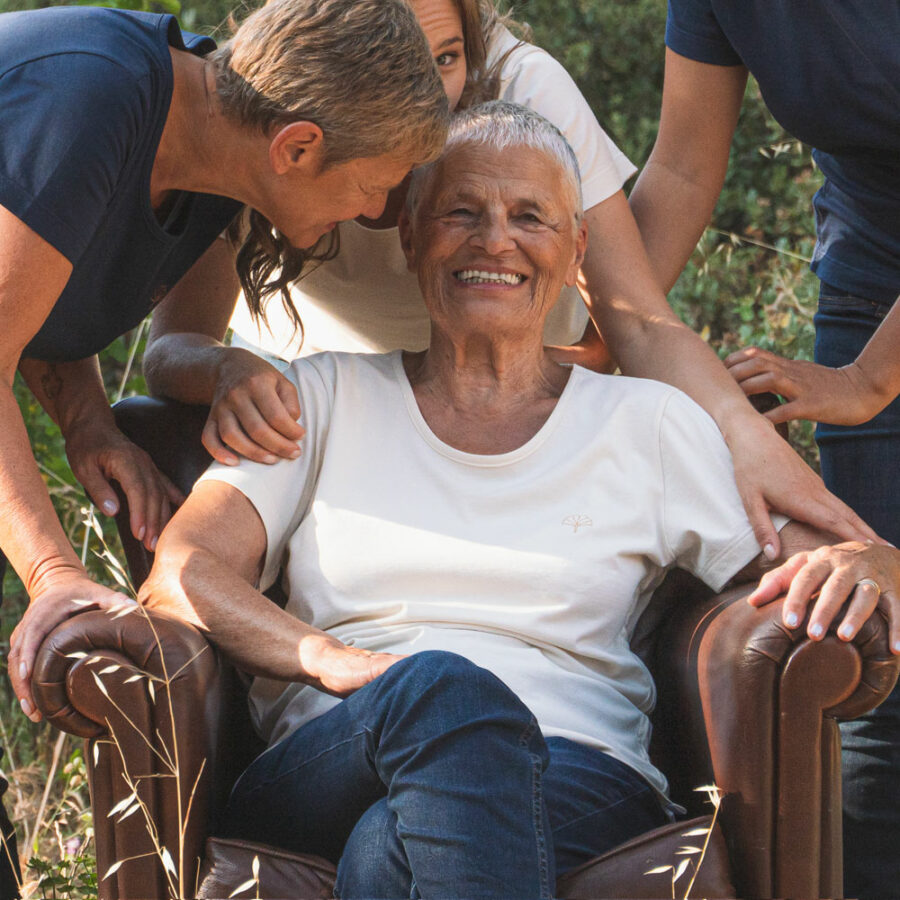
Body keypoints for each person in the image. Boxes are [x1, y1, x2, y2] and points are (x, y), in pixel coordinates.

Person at [140, 104, 900, 899]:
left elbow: (815, 557)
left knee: (389, 851)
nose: (494, 240)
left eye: (528, 217)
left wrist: (872, 558)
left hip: (577, 766)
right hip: (338, 750)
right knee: (438, 690)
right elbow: (180, 572)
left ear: (577, 252)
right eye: (460, 212)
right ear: (410, 237)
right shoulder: (318, 399)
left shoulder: (648, 423)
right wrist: (331, 662)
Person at [143, 0, 876, 576]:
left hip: (517, 402)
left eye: (448, 61)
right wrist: (229, 371)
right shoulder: (267, 109)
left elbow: (638, 316)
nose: (427, 97)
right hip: (336, 422)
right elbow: (173, 345)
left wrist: (731, 430)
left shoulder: (522, 90)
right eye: (397, 67)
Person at [0, 0, 447, 887]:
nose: (378, 211)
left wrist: (91, 421)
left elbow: (48, 298)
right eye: (375, 183)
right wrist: (54, 574)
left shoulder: (210, 166)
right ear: (299, 146)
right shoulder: (95, 95)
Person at [626, 3, 899, 896]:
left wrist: (869, 378)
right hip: (876, 262)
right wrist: (589, 333)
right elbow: (680, 165)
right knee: (876, 645)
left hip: (877, 350)